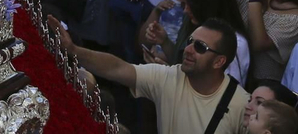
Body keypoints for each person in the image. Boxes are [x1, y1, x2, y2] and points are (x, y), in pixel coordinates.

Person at [56, 15, 247, 132]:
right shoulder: (169, 77)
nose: (188, 49)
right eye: (190, 41)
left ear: (219, 61)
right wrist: (74, 50)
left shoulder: (241, 105)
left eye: (200, 46)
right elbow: (118, 68)